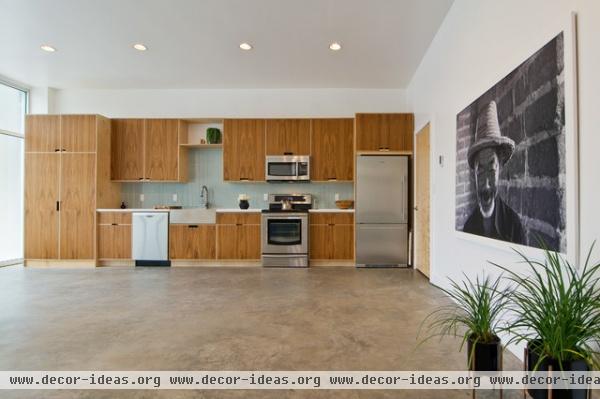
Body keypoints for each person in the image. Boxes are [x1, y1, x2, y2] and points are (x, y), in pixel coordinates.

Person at [462, 101, 525, 245]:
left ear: (500, 169)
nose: (486, 184)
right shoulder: (468, 227)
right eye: (480, 171)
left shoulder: (514, 225)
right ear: (474, 176)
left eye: (491, 170)